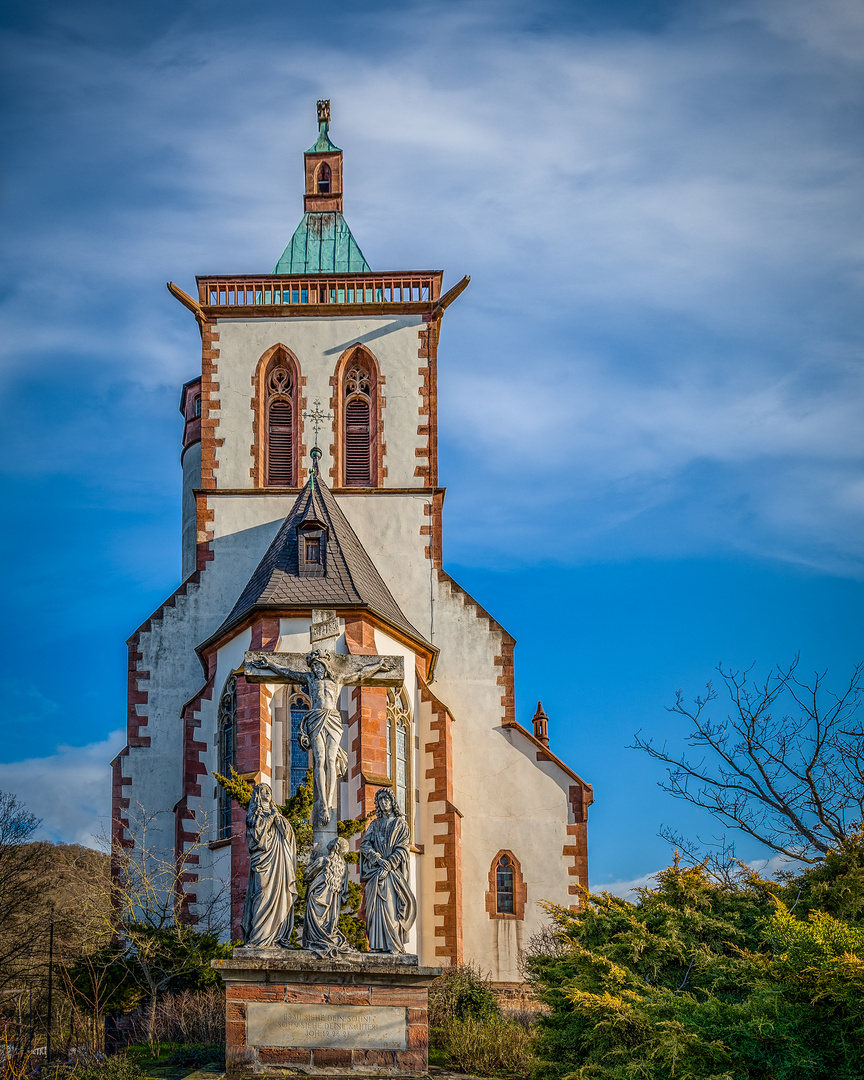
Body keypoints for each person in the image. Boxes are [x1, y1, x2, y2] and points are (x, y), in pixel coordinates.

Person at [251, 649, 395, 826]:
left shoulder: (338, 679)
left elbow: (359, 674)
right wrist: (270, 664)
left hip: (333, 719)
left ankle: (328, 801)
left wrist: (379, 665)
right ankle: (324, 805)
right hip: (315, 718)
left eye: (319, 665)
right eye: (314, 666)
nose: (317, 669)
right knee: (319, 759)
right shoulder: (310, 679)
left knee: (331, 760)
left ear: (325, 665)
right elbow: (288, 672)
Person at [241, 783, 298, 948]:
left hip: (278, 862)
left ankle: (274, 937)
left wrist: (280, 821)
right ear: (258, 795)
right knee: (262, 893)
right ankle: (258, 938)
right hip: (262, 860)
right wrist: (271, 817)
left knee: (279, 896)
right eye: (263, 790)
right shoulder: (253, 814)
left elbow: (288, 835)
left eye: (269, 790)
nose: (267, 793)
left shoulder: (276, 813)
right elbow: (256, 837)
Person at [360, 788, 416, 953]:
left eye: (386, 799)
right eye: (380, 800)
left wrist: (389, 865)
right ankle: (377, 945)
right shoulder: (374, 824)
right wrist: (377, 859)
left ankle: (394, 945)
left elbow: (403, 848)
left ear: (392, 802)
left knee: (390, 908)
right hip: (375, 872)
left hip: (392, 874)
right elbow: (365, 844)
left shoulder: (401, 824)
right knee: (374, 911)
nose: (384, 803)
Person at [302, 836, 352, 958]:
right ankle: (326, 939)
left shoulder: (322, 861)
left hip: (317, 899)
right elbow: (344, 890)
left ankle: (316, 941)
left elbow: (307, 875)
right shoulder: (343, 867)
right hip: (333, 903)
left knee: (315, 927)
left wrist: (311, 861)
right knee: (328, 925)